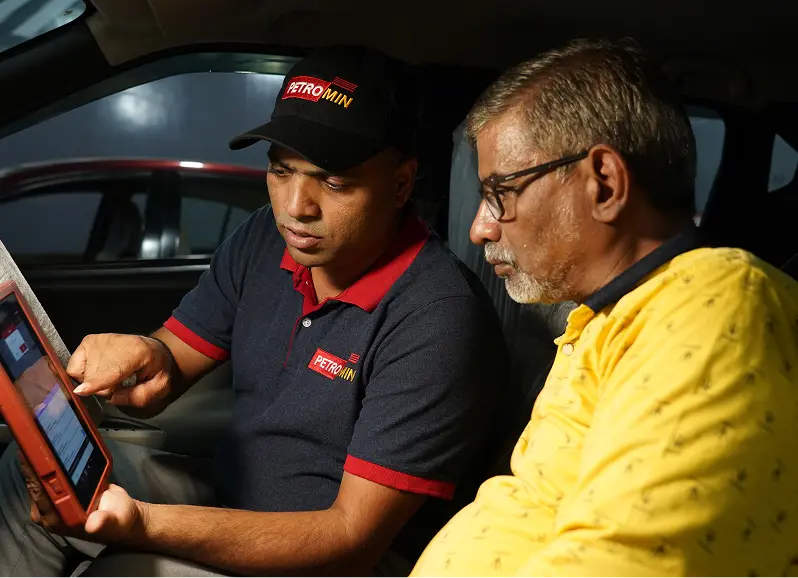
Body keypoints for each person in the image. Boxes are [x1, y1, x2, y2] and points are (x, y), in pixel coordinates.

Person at [0, 45, 507, 578]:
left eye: (333, 182)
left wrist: (143, 526)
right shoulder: (266, 238)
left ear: (401, 183)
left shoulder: (438, 317)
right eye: (281, 171)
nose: (296, 207)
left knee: (124, 572)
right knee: (25, 475)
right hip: (232, 495)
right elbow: (170, 362)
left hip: (337, 561)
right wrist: (145, 355)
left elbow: (350, 541)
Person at [410, 38, 798, 577]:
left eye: (501, 192)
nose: (480, 228)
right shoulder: (605, 322)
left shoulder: (717, 302)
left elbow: (629, 562)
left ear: (605, 184)